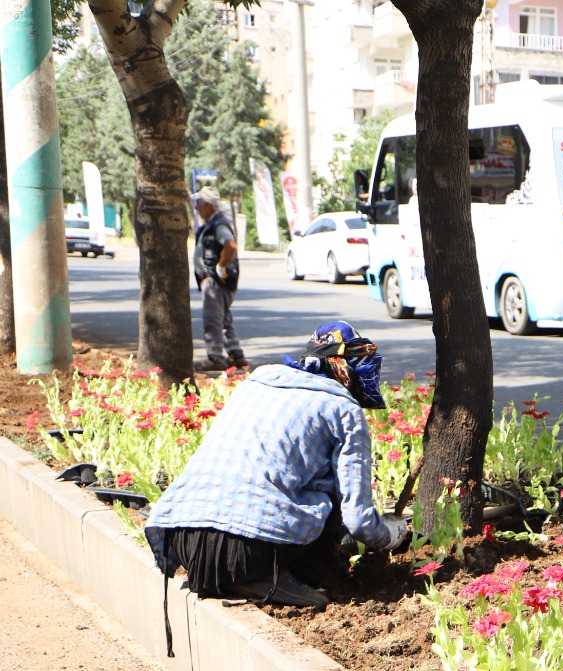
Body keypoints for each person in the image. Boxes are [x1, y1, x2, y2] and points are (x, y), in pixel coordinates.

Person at [146, 321, 410, 632]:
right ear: (346, 369)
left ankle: (253, 573)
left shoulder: (254, 383)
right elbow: (358, 520)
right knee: (327, 493)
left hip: (184, 539)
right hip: (246, 552)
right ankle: (262, 578)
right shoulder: (342, 410)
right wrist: (393, 533)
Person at [192, 186, 246, 370]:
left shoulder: (218, 224)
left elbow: (230, 246)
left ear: (207, 205)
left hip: (215, 282)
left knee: (213, 320)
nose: (196, 207)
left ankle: (215, 357)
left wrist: (220, 268)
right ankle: (235, 354)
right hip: (216, 281)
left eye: (198, 203)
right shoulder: (212, 223)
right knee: (223, 319)